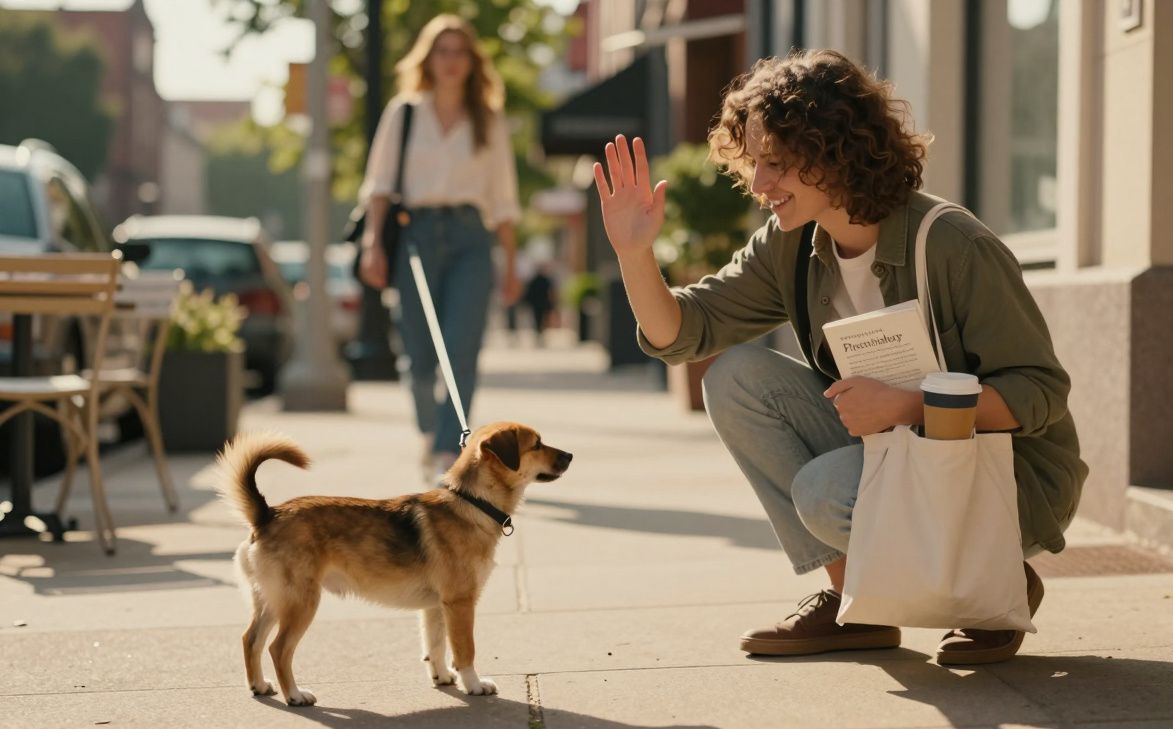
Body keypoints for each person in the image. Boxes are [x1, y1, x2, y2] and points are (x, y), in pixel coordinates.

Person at [593, 50, 1087, 665]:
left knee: (826, 493)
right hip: (897, 451)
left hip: (1011, 478)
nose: (759, 183)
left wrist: (907, 405)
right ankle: (855, 601)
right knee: (737, 378)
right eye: (754, 163)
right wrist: (634, 253)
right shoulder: (791, 243)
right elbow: (684, 331)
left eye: (776, 162)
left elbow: (1040, 393)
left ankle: (992, 579)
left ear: (833, 149)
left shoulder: (954, 245)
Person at [358, 14, 522, 482]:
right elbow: (379, 186)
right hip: (416, 234)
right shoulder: (404, 112)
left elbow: (504, 199)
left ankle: (448, 448)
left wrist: (511, 265)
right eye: (442, 51)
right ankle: (431, 430)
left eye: (460, 52)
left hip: (472, 238)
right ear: (428, 59)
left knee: (461, 348)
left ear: (472, 61)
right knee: (417, 353)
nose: (451, 61)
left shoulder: (488, 119)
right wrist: (373, 244)